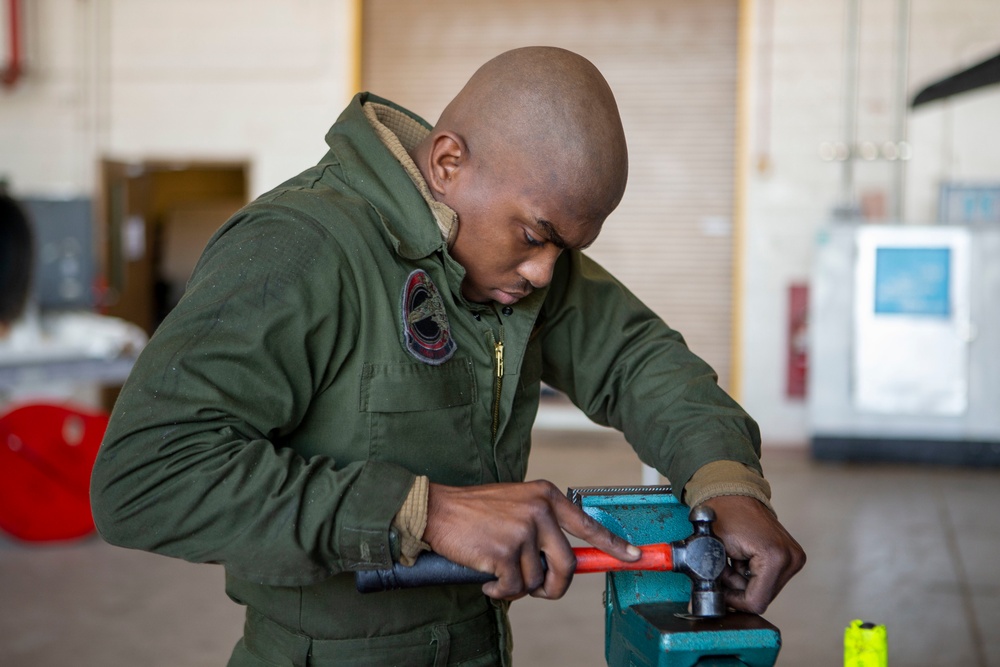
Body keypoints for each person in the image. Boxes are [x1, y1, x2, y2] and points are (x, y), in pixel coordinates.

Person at [90, 46, 804, 666]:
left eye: (566, 250)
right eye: (534, 235)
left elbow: (638, 358)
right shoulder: (301, 248)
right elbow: (144, 476)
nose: (545, 274)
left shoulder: (508, 266)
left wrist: (725, 480)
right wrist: (424, 513)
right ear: (448, 161)